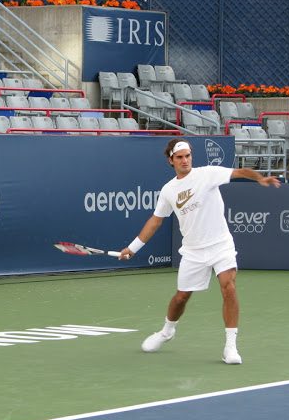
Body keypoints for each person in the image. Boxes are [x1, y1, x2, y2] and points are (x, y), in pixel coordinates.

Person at [119, 138, 280, 364]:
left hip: (221, 244)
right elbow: (155, 221)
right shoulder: (168, 190)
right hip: (193, 251)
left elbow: (239, 172)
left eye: (187, 156)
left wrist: (260, 178)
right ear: (171, 160)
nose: (185, 161)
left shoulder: (207, 174)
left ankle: (230, 347)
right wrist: (133, 247)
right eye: (180, 157)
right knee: (181, 298)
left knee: (229, 287)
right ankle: (167, 332)